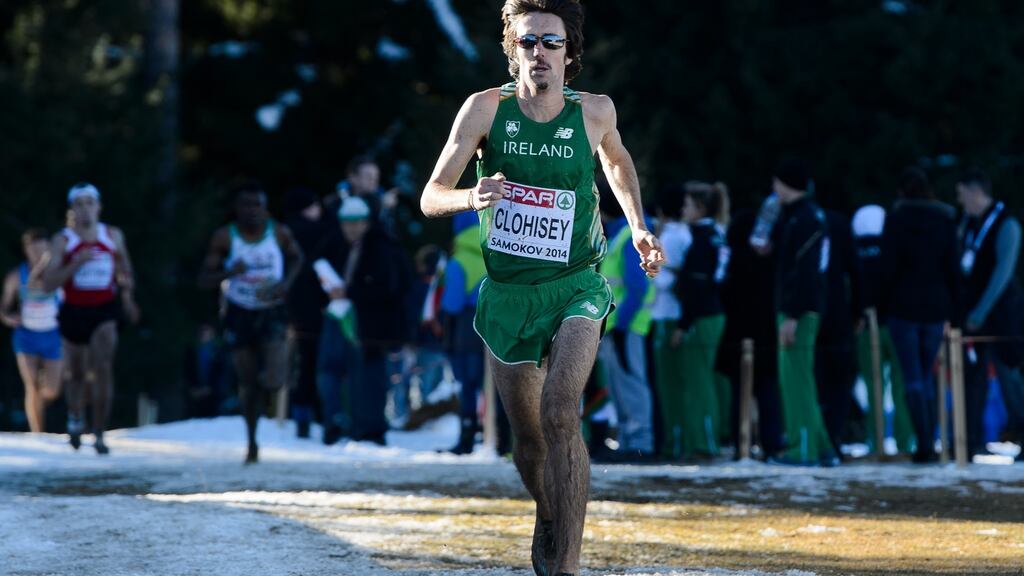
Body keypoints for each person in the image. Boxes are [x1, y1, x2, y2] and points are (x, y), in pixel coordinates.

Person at [419, 0, 664, 573]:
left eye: (551, 43)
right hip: (509, 294)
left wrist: (638, 226)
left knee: (560, 410)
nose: (540, 53)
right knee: (528, 438)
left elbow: (617, 163)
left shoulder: (595, 111)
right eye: (528, 42)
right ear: (513, 52)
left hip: (577, 282)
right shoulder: (484, 110)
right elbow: (431, 195)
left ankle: (569, 564)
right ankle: (548, 511)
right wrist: (470, 196)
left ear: (570, 53)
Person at [198, 182, 303, 464]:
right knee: (247, 383)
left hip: (272, 310)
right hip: (239, 311)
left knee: (273, 380)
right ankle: (252, 441)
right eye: (247, 205)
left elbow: (297, 258)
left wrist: (285, 284)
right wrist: (228, 272)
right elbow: (204, 279)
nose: (254, 211)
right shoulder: (225, 237)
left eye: (259, 205)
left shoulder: (278, 232)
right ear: (237, 209)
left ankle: (275, 374)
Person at [43, 183, 139, 454]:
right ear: (72, 209)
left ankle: (99, 431)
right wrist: (76, 263)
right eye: (80, 204)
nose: (86, 209)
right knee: (75, 374)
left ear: (99, 207)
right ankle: (75, 417)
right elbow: (49, 283)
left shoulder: (112, 235)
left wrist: (128, 298)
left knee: (103, 367)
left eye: (90, 203)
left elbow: (125, 270)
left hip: (104, 309)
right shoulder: (63, 240)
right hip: (73, 310)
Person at [316, 196, 412, 446]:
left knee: (369, 376)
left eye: (357, 223)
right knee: (343, 372)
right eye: (348, 224)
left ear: (367, 223)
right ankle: (348, 424)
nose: (352, 228)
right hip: (347, 318)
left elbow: (389, 287)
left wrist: (349, 292)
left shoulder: (382, 247)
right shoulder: (338, 245)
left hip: (372, 325)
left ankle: (370, 428)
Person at [954, 168, 1024, 460]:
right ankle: (969, 441)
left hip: (1001, 317)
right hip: (972, 317)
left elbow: (1002, 273)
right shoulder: (967, 224)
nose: (959, 201)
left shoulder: (1006, 224)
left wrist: (981, 311)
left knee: (1010, 377)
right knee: (972, 378)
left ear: (975, 191)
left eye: (961, 194)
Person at [772, 160, 837, 466]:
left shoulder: (805, 219)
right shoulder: (804, 215)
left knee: (796, 382)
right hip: (801, 308)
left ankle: (803, 448)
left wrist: (793, 316)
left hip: (799, 311)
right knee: (802, 380)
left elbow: (806, 271)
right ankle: (822, 447)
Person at [669, 181, 730, 461]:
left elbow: (698, 286)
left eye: (688, 205)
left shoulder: (704, 239)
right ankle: (703, 441)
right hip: (710, 315)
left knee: (700, 382)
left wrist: (683, 326)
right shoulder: (712, 234)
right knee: (702, 380)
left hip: (702, 318)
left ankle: (705, 443)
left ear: (701, 208)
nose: (683, 210)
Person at [851, 204, 914, 457]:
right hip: (897, 323)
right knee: (901, 384)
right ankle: (905, 440)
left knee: (873, 385)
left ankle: (875, 440)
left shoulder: (858, 251)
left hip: (868, 324)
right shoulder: (894, 246)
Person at [1, 229, 63, 433]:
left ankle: (42, 398)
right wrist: (8, 317)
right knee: (31, 384)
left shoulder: (58, 274)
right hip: (26, 336)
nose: (37, 253)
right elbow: (4, 307)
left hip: (53, 335)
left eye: (41, 248)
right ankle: (38, 434)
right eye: (32, 249)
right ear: (26, 250)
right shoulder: (16, 276)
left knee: (51, 390)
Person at [284, 188, 330, 438]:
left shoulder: (282, 233)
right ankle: (314, 416)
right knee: (313, 364)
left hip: (287, 309)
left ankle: (293, 414)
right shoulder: (318, 233)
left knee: (295, 365)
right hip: (313, 308)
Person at [441, 212, 488, 454]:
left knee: (467, 386)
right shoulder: (494, 256)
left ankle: (467, 437)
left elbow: (452, 303)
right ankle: (496, 437)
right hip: (491, 332)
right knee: (491, 386)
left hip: (465, 332)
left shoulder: (459, 260)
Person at [650, 183, 690, 460]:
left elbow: (665, 279)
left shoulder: (671, 237)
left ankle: (674, 443)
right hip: (673, 313)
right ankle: (676, 441)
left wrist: (652, 271)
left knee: (669, 386)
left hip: (666, 314)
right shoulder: (684, 232)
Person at [815, 206, 859, 457]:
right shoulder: (840, 224)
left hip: (817, 311)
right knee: (837, 381)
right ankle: (833, 437)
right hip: (838, 312)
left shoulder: (803, 219)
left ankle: (824, 439)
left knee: (823, 379)